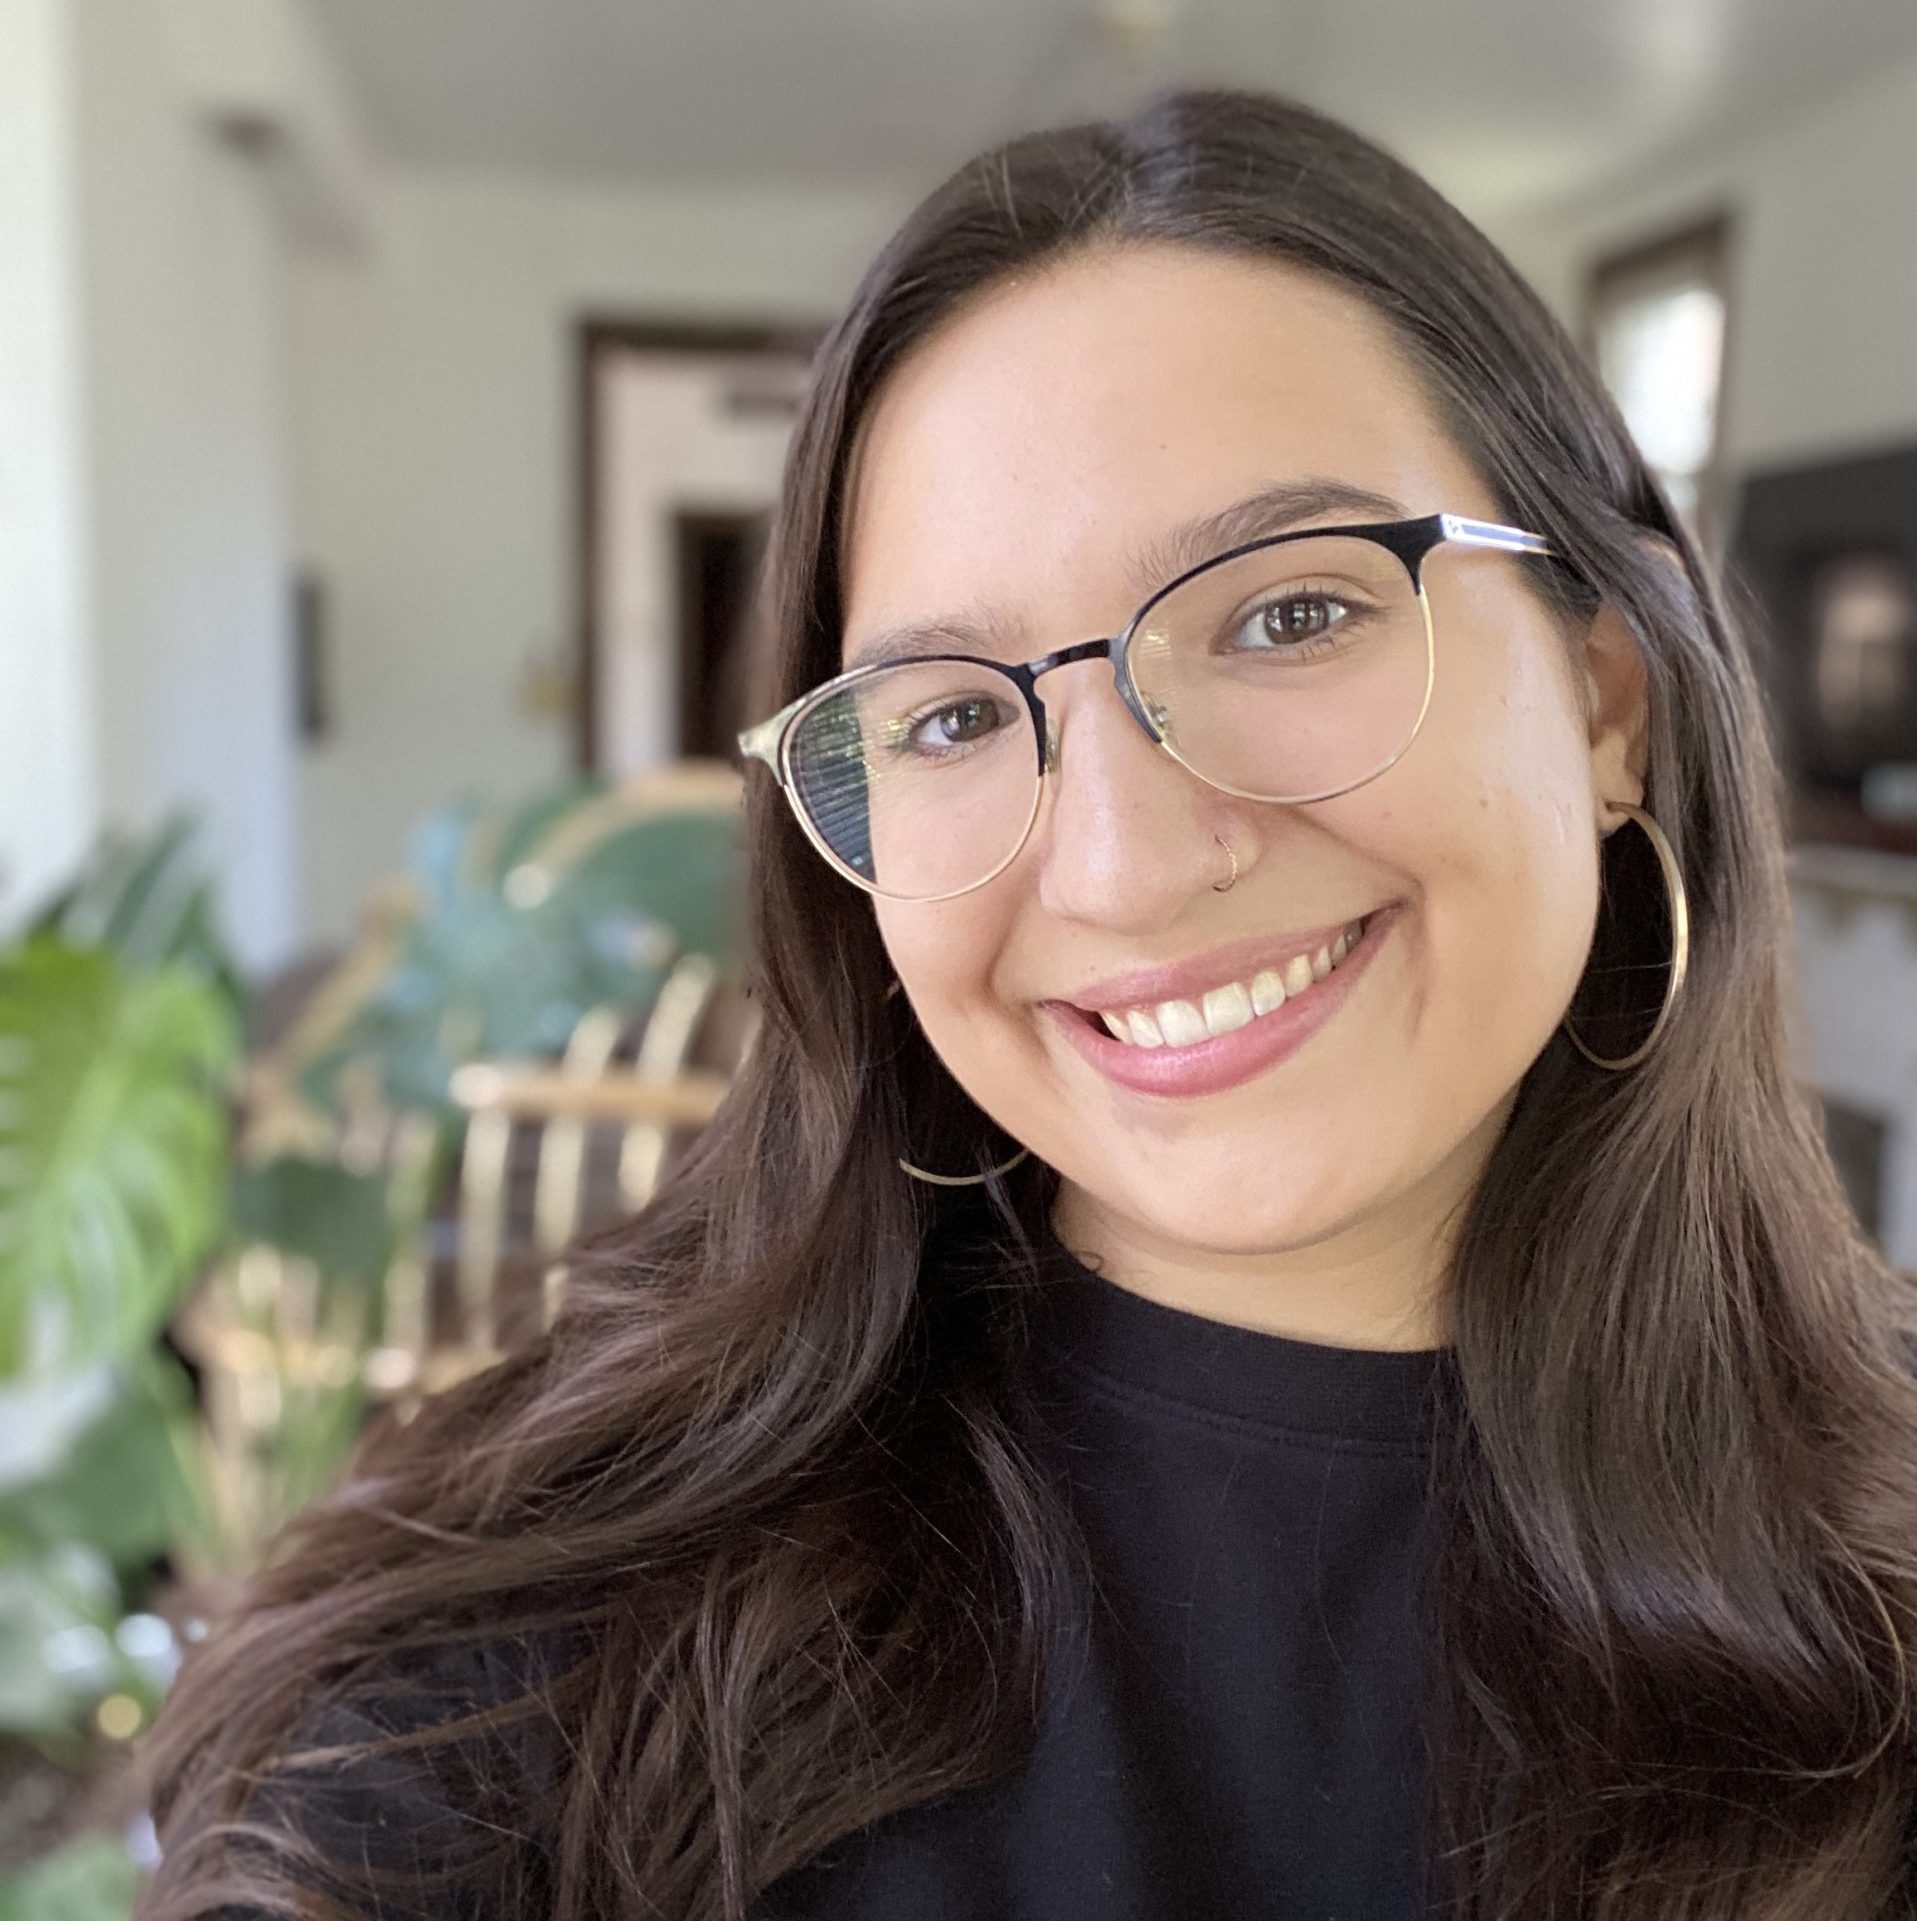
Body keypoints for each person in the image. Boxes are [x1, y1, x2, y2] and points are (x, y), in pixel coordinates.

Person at [134, 86, 1917, 1921]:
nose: (1126, 864)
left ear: (1607, 699)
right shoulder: (526, 1694)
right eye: (957, 715)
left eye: (1286, 613)